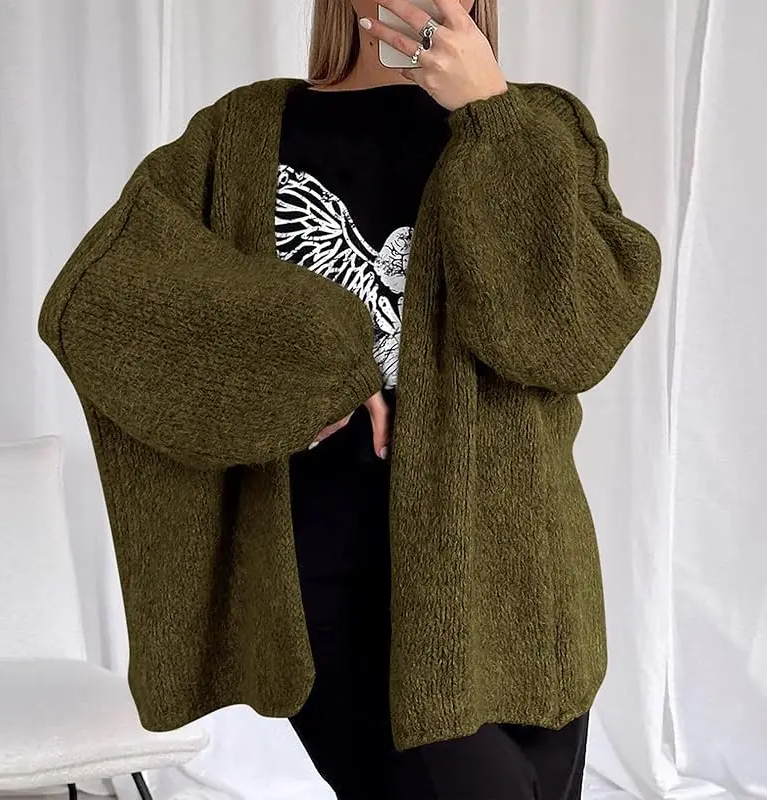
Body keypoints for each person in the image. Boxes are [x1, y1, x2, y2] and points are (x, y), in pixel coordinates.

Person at [37, 0, 662, 798]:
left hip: (525, 591)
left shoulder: (539, 127)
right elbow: (99, 299)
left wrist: (491, 114)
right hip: (334, 587)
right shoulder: (244, 133)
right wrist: (304, 374)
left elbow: (568, 340)